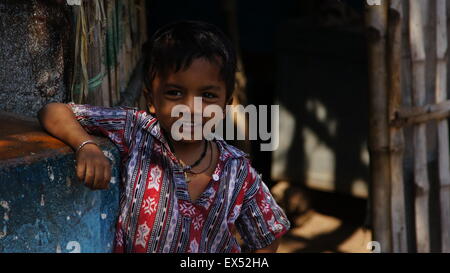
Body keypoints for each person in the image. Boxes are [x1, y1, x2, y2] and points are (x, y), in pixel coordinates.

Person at [38, 20, 290, 253]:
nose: (191, 108)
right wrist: (87, 146)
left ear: (226, 104)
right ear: (151, 100)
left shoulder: (237, 171)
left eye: (208, 96)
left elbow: (269, 234)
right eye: (175, 92)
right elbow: (53, 111)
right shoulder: (137, 131)